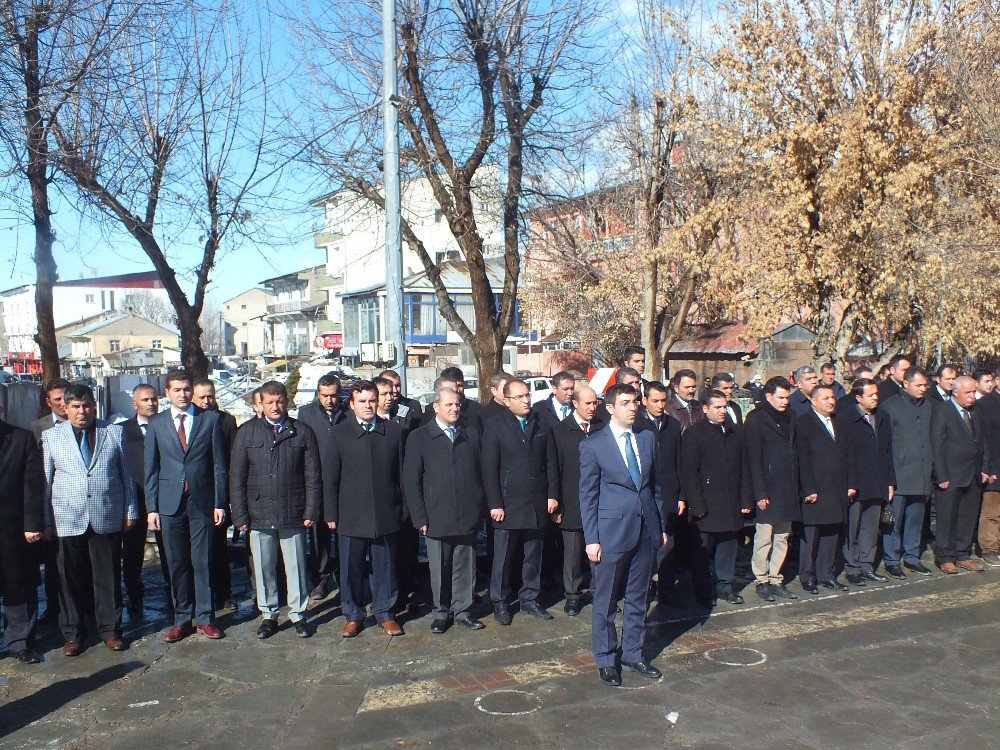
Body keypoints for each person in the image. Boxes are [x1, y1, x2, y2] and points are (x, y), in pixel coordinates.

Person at [579, 383, 667, 687]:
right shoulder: (593, 445)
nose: (633, 408)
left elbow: (655, 488)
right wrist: (592, 539)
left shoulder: (646, 438)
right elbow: (588, 496)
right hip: (611, 533)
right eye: (627, 403)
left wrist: (661, 528)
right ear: (611, 407)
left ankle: (633, 653)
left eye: (635, 403)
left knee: (639, 598)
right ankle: (605, 658)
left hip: (645, 532)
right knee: (605, 602)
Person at [42, 384, 139, 655]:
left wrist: (131, 511)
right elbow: (46, 482)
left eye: (86, 406)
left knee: (107, 576)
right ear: (66, 408)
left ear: (93, 406)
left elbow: (127, 476)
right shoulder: (52, 437)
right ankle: (73, 633)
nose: (81, 411)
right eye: (75, 407)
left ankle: (110, 630)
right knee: (69, 579)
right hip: (67, 517)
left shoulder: (113, 432)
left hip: (106, 513)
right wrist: (46, 519)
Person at [230, 381, 322, 639]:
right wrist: (240, 515)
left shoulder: (302, 432)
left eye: (279, 401)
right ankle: (269, 614)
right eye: (269, 402)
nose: (275, 407)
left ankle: (298, 613)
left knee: (296, 566)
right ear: (260, 404)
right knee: (264, 567)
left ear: (286, 401)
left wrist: (311, 511)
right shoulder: (247, 433)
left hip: (293, 511)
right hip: (258, 511)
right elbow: (236, 477)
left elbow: (313, 475)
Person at [145, 369, 229, 643]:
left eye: (186, 389)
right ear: (167, 393)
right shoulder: (156, 423)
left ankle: (205, 618)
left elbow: (219, 465)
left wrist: (219, 502)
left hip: (202, 501)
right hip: (169, 503)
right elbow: (152, 468)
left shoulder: (210, 420)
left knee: (202, 560)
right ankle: (182, 618)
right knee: (177, 562)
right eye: (177, 390)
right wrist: (152, 508)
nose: (183, 394)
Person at [325, 380, 406, 637]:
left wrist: (404, 507)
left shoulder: (392, 430)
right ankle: (353, 614)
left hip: (386, 512)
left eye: (372, 400)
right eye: (362, 401)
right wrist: (330, 514)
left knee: (386, 567)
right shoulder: (339, 433)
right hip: (350, 515)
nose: (369, 405)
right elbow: (331, 477)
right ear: (352, 404)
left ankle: (385, 612)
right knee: (351, 569)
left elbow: (402, 473)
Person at [403, 387, 487, 633]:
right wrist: (419, 517)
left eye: (457, 404)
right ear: (435, 407)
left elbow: (479, 474)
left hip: (467, 513)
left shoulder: (470, 434)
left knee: (466, 565)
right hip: (436, 515)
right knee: (440, 567)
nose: (454, 409)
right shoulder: (419, 437)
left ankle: (463, 610)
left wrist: (479, 507)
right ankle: (441, 612)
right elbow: (412, 480)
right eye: (448, 405)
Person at [482, 378, 552, 625]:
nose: (526, 400)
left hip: (536, 500)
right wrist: (494, 503)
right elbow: (489, 468)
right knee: (503, 557)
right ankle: (500, 602)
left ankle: (529, 598)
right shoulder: (495, 425)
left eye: (527, 395)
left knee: (533, 554)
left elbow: (550, 460)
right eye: (520, 397)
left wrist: (552, 494)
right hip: (507, 503)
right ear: (507, 400)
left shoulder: (541, 421)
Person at [681, 391, 752, 606]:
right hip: (707, 504)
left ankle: (725, 586)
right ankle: (703, 589)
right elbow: (689, 472)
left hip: (730, 503)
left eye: (724, 407)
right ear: (705, 408)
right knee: (703, 552)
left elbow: (744, 468)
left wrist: (746, 500)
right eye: (717, 407)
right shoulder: (694, 434)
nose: (722, 411)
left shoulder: (734, 431)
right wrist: (697, 505)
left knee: (728, 549)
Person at [547, 384, 602, 616]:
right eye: (587, 403)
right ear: (575, 404)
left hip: (600, 502)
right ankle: (572, 595)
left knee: (600, 553)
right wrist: (556, 502)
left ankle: (601, 593)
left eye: (595, 403)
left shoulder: (602, 427)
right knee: (572, 554)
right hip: (571, 502)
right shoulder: (559, 431)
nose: (592, 407)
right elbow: (554, 469)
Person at [931, 376, 995, 573]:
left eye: (973, 392)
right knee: (947, 518)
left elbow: (983, 442)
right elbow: (937, 445)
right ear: (955, 392)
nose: (971, 397)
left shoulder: (974, 412)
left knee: (967, 518)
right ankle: (945, 557)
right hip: (951, 476)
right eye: (967, 393)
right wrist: (941, 476)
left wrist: (985, 469)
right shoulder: (943, 411)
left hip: (973, 475)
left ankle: (962, 554)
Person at [795, 383, 855, 594]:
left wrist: (850, 484)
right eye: (825, 398)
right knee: (811, 537)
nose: (831, 401)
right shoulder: (803, 423)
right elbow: (803, 458)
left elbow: (848, 455)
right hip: (815, 490)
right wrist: (809, 488)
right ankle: (807, 576)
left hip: (836, 488)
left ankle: (826, 575)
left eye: (832, 398)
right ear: (813, 401)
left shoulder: (838, 422)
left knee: (831, 535)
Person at [744, 377, 799, 602]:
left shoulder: (791, 416)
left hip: (787, 487)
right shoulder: (756, 420)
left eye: (787, 397)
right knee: (764, 538)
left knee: (782, 537)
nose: (785, 402)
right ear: (768, 396)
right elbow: (753, 460)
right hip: (767, 488)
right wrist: (760, 493)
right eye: (781, 397)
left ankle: (776, 577)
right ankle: (761, 579)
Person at [837, 379, 895, 586]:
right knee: (852, 528)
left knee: (870, 529)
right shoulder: (844, 419)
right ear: (858, 397)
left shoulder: (883, 417)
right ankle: (852, 568)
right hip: (856, 484)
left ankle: (866, 565)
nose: (876, 398)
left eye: (876, 394)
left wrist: (890, 482)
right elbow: (843, 455)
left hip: (877, 482)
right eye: (871, 395)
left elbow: (888, 452)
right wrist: (848, 484)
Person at [879, 367, 935, 578]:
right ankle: (892, 559)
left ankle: (912, 557)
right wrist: (889, 478)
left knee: (915, 519)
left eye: (924, 385)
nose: (922, 389)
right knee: (894, 520)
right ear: (906, 384)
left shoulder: (928, 406)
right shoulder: (890, 407)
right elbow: (885, 444)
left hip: (921, 473)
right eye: (918, 385)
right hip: (900, 475)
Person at [295, 372, 346, 600]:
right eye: (324, 396)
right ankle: (321, 579)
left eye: (333, 395)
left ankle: (346, 576)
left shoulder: (348, 412)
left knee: (346, 534)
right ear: (318, 394)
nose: (329, 400)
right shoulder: (306, 414)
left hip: (346, 483)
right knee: (319, 536)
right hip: (318, 482)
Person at [0, 406, 45, 663]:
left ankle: (20, 642)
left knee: (18, 585)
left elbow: (32, 484)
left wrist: (32, 524)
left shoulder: (20, 439)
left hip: (12, 528)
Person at [120, 384, 170, 616]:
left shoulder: (168, 425)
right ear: (135, 404)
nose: (151, 403)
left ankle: (174, 591)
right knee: (132, 552)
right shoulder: (121, 431)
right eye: (145, 400)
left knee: (170, 549)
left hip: (166, 498)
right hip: (136, 499)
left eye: (154, 399)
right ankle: (134, 593)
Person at [633, 382, 684, 604]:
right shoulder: (637, 425)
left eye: (663, 400)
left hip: (670, 493)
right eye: (655, 400)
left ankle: (667, 591)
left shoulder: (673, 425)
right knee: (643, 547)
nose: (660, 405)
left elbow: (679, 461)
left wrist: (682, 495)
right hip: (645, 493)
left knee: (668, 545)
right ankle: (640, 592)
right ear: (644, 401)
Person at [192, 378, 238, 610]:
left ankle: (223, 592)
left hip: (218, 492)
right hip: (194, 492)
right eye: (202, 397)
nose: (207, 401)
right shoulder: (189, 421)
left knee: (219, 547)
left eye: (210, 396)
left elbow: (232, 460)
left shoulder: (226, 421)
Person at [29, 377, 72, 625]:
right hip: (49, 504)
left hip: (74, 504)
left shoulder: (84, 423)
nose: (63, 404)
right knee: (53, 562)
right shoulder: (37, 428)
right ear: (49, 402)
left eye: (66, 398)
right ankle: (54, 607)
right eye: (57, 399)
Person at [375, 375, 420, 605]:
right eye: (385, 394)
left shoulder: (405, 415)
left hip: (403, 494)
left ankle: (406, 590)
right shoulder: (369, 423)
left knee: (406, 548)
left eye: (393, 393)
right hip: (378, 498)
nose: (391, 397)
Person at [974, 370, 1000, 566]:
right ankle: (989, 548)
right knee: (992, 511)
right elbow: (984, 440)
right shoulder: (984, 405)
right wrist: (989, 468)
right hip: (995, 466)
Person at [421, 367, 483, 433]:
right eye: (449, 388)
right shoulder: (430, 409)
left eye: (459, 385)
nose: (456, 391)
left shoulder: (477, 409)